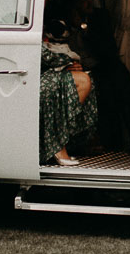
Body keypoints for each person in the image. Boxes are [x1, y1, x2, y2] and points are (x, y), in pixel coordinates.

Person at [63, 0, 130, 154]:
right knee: (104, 90)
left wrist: (84, 28)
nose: (88, 2)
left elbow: (107, 48)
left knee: (120, 79)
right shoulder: (63, 21)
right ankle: (106, 141)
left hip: (104, 64)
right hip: (80, 69)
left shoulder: (100, 17)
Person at [40, 8, 97, 166]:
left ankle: (63, 141)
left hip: (49, 72)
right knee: (82, 81)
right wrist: (67, 63)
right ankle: (57, 145)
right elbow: (42, 55)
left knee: (87, 79)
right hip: (36, 76)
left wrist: (72, 64)